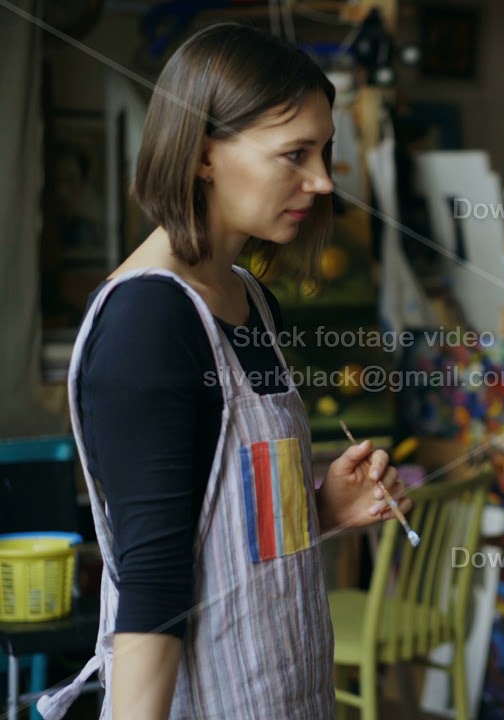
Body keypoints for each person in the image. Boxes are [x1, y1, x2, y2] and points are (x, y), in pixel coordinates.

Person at [39, 23, 410, 720]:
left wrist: (322, 509)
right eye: (294, 154)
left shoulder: (251, 300)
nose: (323, 180)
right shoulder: (148, 321)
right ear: (205, 153)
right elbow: (153, 581)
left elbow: (221, 528)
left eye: (324, 151)